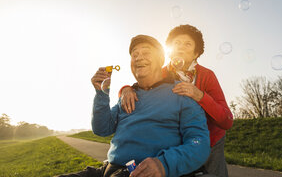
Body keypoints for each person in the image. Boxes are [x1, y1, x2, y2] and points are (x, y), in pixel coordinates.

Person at [57, 34, 210, 177]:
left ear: (161, 59)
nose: (138, 58)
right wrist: (101, 92)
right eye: (134, 54)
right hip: (108, 170)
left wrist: (163, 164)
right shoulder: (127, 96)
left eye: (146, 52)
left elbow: (200, 143)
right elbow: (101, 129)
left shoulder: (181, 92)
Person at [119, 25, 233, 177]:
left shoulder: (207, 75)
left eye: (187, 44)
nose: (180, 47)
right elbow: (141, 86)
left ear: (196, 53)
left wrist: (200, 96)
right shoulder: (162, 72)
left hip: (211, 143)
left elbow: (226, 120)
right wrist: (125, 89)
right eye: (176, 43)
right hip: (178, 144)